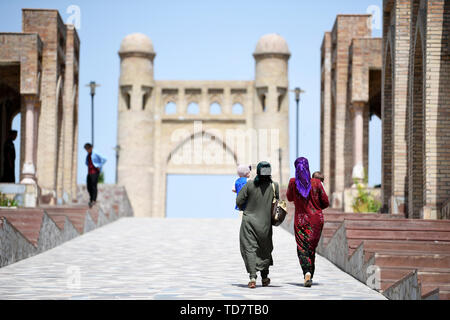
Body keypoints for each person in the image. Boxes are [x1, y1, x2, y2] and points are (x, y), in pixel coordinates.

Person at [286, 157, 329, 287]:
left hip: (300, 221)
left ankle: (307, 272)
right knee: (311, 248)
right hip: (316, 220)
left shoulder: (293, 183)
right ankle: (309, 273)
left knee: (302, 248)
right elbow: (326, 202)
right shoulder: (316, 183)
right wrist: (315, 207)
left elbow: (289, 198)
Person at [236, 161, 279, 288]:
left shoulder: (249, 185)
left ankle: (252, 277)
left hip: (249, 222)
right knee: (264, 249)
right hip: (265, 224)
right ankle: (265, 277)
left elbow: (239, 201)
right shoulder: (274, 186)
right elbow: (277, 204)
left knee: (250, 248)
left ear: (258, 171)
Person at [84, 143, 107, 208]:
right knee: (89, 186)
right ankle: (91, 199)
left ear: (91, 148)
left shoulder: (95, 153)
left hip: (95, 172)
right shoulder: (88, 155)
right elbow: (87, 162)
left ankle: (93, 200)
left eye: (87, 149)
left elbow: (104, 159)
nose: (87, 151)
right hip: (89, 172)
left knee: (94, 186)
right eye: (86, 150)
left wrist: (99, 166)